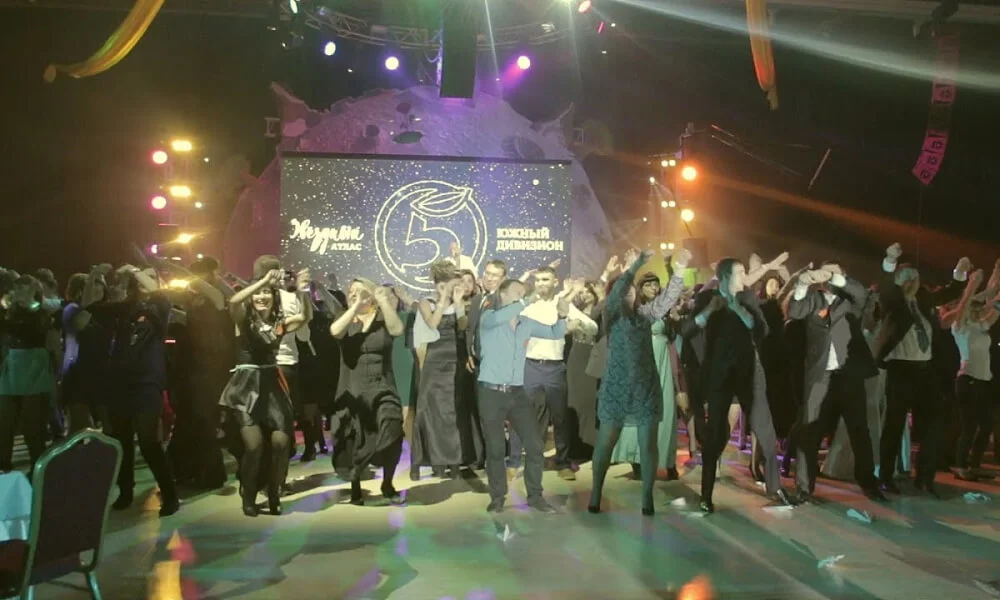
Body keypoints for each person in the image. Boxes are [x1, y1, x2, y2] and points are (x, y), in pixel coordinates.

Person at [589, 248, 689, 516]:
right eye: (625, 291)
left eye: (631, 290)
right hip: (617, 388)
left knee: (648, 445)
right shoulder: (612, 315)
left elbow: (667, 299)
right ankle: (596, 492)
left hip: (645, 387)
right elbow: (616, 294)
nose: (630, 293)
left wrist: (679, 269)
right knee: (605, 443)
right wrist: (633, 267)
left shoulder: (645, 315)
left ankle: (647, 498)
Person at [688, 258, 792, 513]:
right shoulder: (708, 298)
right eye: (740, 272)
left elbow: (761, 330)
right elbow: (688, 329)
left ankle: (775, 486)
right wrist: (709, 311)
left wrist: (738, 309)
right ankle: (706, 494)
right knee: (715, 434)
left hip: (749, 372)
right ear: (724, 276)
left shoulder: (747, 298)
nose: (745, 276)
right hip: (720, 375)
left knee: (765, 430)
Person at [872, 243, 967, 496]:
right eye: (907, 277)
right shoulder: (893, 302)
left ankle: (924, 477)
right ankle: (885, 477)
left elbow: (949, 292)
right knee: (894, 424)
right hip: (901, 369)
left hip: (926, 370)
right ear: (899, 281)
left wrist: (960, 272)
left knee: (934, 423)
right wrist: (890, 259)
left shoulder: (923, 299)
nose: (913, 281)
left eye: (915, 277)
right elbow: (886, 284)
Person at [786, 263, 885, 502]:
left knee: (859, 430)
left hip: (849, 375)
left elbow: (862, 294)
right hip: (820, 376)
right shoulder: (813, 300)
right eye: (826, 273)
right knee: (809, 431)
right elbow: (795, 311)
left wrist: (837, 276)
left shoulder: (851, 301)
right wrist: (802, 283)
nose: (829, 277)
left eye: (835, 273)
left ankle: (868, 482)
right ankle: (804, 487)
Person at [477, 278, 571, 514]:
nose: (521, 297)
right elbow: (503, 315)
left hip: (518, 393)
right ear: (502, 295)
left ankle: (535, 496)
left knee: (535, 444)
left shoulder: (526, 323)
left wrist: (561, 316)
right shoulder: (489, 318)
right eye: (516, 293)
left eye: (522, 293)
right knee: (496, 448)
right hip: (491, 392)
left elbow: (554, 333)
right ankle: (498, 496)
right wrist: (527, 299)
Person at [220, 268, 304, 517]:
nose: (261, 296)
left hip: (271, 385)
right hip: (246, 387)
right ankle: (248, 495)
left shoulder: (278, 323)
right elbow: (234, 301)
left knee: (281, 443)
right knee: (254, 446)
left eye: (267, 292)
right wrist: (264, 281)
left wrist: (302, 292)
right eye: (258, 293)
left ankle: (274, 493)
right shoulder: (243, 319)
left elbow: (304, 317)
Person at [329, 278, 407, 505]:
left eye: (361, 291)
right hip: (353, 390)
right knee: (357, 438)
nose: (355, 294)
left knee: (393, 430)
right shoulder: (344, 317)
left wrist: (383, 301)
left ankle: (388, 483)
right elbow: (335, 332)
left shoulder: (383, 317)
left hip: (383, 386)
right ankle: (356, 484)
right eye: (351, 291)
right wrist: (355, 306)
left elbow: (397, 329)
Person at [944, 268, 999, 480]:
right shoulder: (959, 328)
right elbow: (965, 305)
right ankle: (960, 466)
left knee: (986, 426)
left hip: (983, 382)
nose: (977, 311)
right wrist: (972, 284)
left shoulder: (980, 327)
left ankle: (974, 465)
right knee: (970, 427)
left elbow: (996, 310)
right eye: (973, 308)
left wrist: (996, 278)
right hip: (968, 381)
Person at [0, 276, 55, 473]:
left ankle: (38, 471)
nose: (18, 292)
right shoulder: (9, 312)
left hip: (34, 366)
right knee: (4, 425)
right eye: (17, 288)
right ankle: (4, 469)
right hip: (12, 368)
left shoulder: (41, 312)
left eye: (23, 288)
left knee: (33, 427)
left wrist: (24, 305)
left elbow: (33, 330)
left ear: (33, 290)